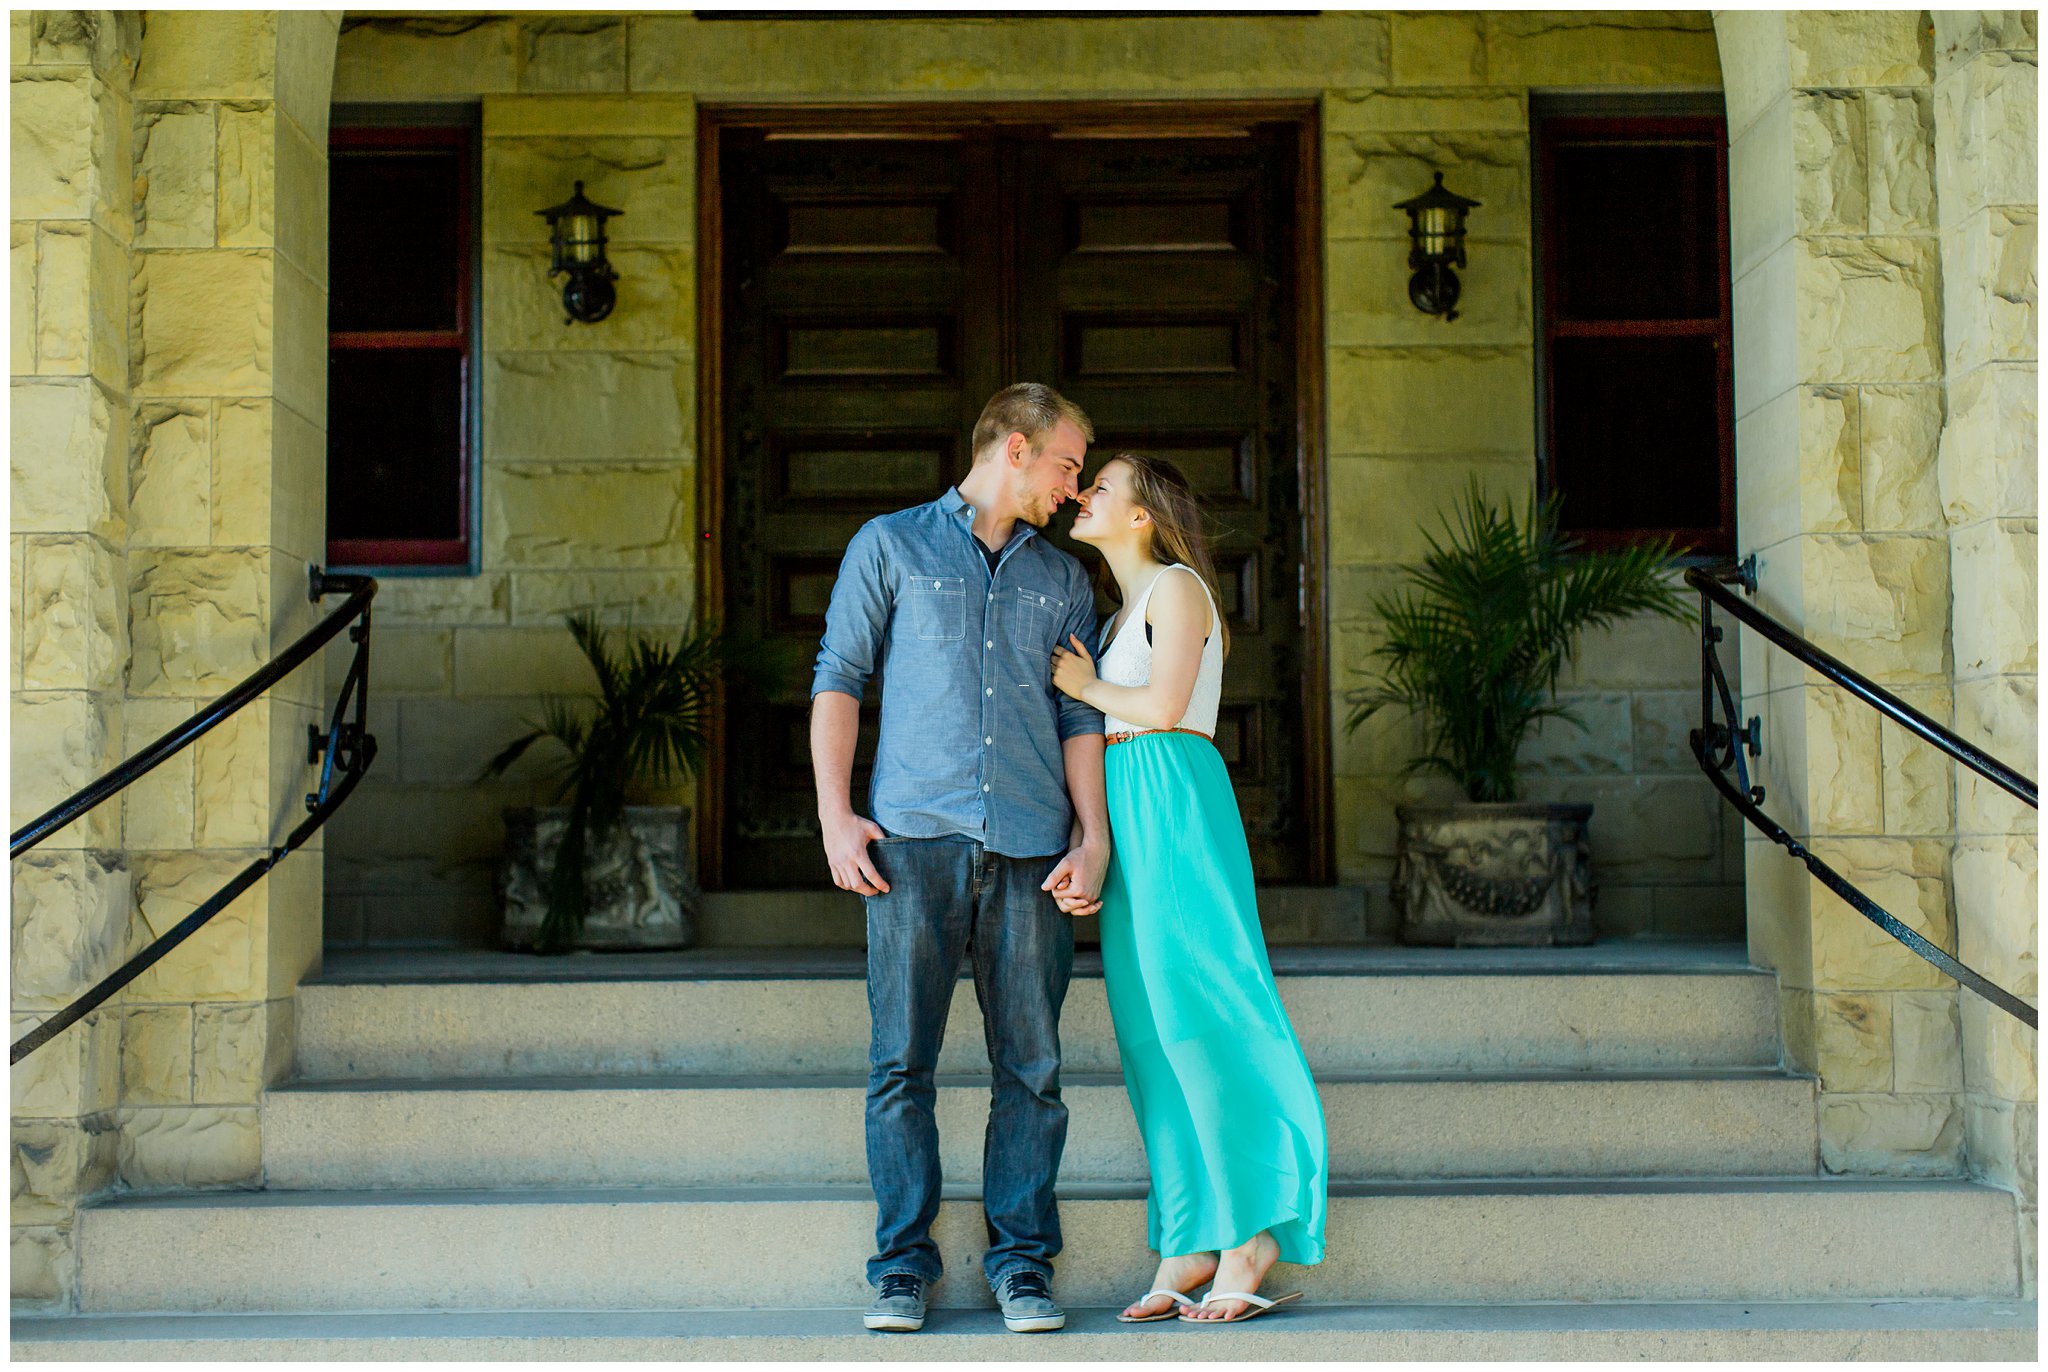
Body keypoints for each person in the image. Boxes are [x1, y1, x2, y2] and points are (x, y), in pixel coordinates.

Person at [811, 383, 1111, 1335]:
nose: (1076, 485)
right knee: (901, 1062)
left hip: (1030, 849)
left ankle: (1023, 1263)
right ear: (1015, 449)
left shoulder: (1061, 578)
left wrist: (1092, 836)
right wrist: (834, 816)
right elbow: (838, 680)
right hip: (913, 846)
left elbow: (1080, 714)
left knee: (1032, 1066)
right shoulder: (889, 545)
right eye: (1068, 464)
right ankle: (901, 1267)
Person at [1051, 452, 1329, 1325]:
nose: (1082, 493)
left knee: (1201, 1008)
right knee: (1147, 1029)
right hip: (1128, 808)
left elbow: (1163, 706)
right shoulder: (1117, 612)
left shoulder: (1177, 589)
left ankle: (1253, 1230)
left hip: (1171, 794)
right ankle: (1189, 1235)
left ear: (1142, 515)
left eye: (1100, 486)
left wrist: (1085, 686)